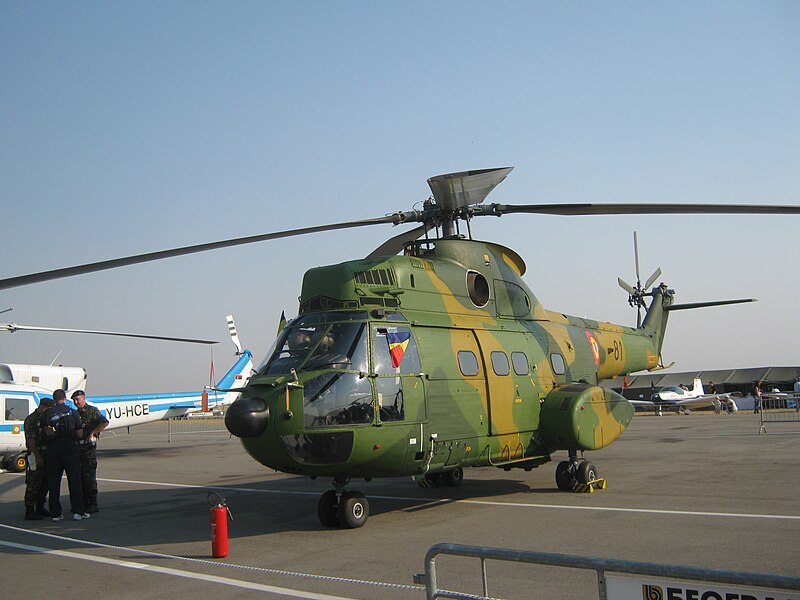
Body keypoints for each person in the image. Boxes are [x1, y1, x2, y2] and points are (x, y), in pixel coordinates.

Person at [41, 389, 89, 521]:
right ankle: (78, 512)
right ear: (64, 398)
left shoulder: (47, 414)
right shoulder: (72, 412)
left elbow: (47, 432)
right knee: (74, 480)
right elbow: (79, 434)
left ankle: (55, 513)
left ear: (54, 399)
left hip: (53, 449)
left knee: (54, 482)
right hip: (69, 447)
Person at [71, 390, 109, 513]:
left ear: (84, 398)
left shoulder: (92, 411)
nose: (76, 402)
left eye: (78, 399)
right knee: (79, 478)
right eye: (74, 400)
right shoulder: (75, 414)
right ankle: (82, 503)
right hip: (77, 449)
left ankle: (92, 503)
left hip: (88, 449)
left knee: (89, 478)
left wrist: (93, 432)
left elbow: (104, 422)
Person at [23, 396, 54, 520]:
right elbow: (31, 440)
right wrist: (38, 456)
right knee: (34, 482)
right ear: (43, 407)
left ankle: (40, 506)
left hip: (46, 453)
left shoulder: (45, 419)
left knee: (45, 481)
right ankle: (30, 509)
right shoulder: (32, 419)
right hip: (36, 453)